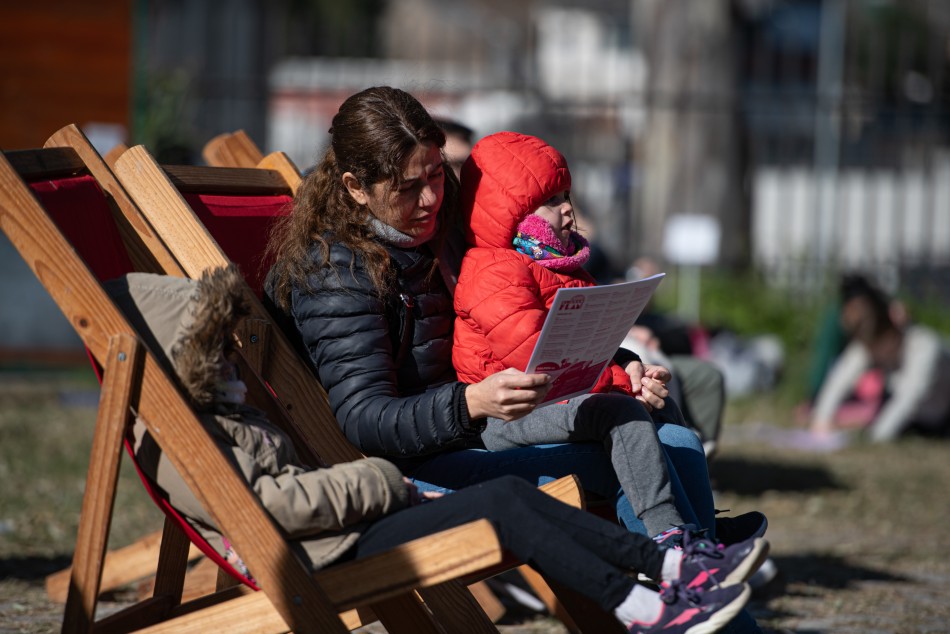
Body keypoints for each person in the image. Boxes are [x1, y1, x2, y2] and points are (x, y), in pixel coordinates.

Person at [263, 85, 767, 632]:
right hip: (423, 463)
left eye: (436, 175)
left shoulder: (436, 229)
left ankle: (695, 587)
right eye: (408, 188)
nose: (430, 198)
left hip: (486, 425)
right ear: (355, 188)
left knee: (678, 441)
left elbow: (525, 320)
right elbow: (365, 418)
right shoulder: (335, 274)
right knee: (655, 454)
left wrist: (623, 361)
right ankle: (692, 596)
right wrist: (472, 403)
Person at [110, 266, 762, 633]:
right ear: (178, 360)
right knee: (505, 503)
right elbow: (273, 506)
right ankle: (647, 604)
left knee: (506, 497)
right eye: (214, 349)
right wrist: (381, 482)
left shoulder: (222, 412)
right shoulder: (181, 435)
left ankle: (666, 570)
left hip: (350, 522)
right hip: (325, 548)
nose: (230, 357)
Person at [453, 131, 695, 542]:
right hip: (509, 412)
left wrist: (627, 365)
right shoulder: (493, 270)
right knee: (619, 412)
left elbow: (590, 343)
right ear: (511, 211)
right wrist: (623, 387)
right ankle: (668, 540)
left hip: (560, 397)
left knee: (670, 419)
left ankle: (702, 533)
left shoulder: (562, 267)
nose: (567, 208)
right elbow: (534, 354)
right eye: (550, 200)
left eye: (566, 195)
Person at [809, 274, 950, 442]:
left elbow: (908, 399)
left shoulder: (924, 347)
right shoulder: (869, 345)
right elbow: (839, 380)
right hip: (919, 422)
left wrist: (876, 437)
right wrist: (821, 421)